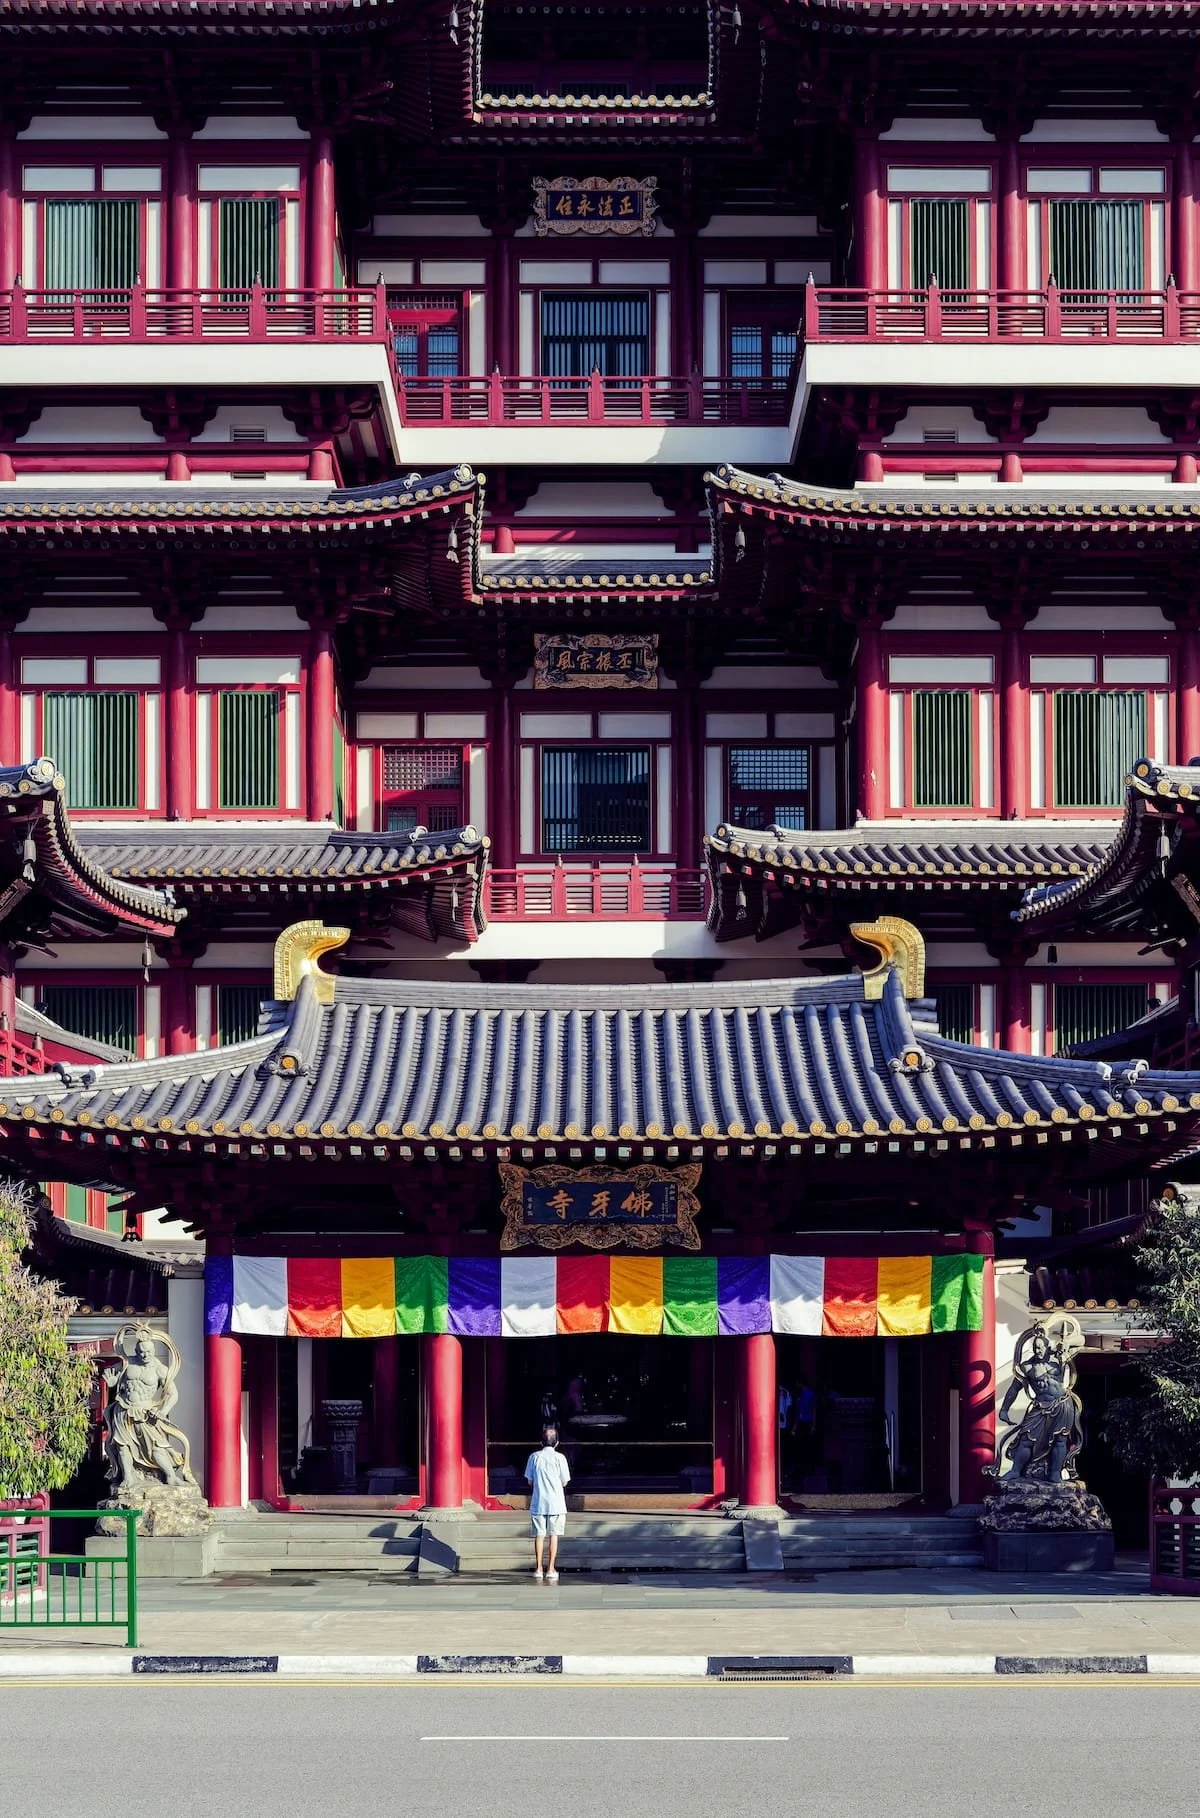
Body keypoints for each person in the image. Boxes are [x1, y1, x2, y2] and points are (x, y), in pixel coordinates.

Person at [524, 1423, 571, 1582]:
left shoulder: (534, 1457)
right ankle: (551, 1569)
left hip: (539, 1502)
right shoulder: (560, 1458)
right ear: (557, 1443)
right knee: (554, 1535)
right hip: (556, 1503)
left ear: (541, 1442)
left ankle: (538, 1568)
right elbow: (565, 1482)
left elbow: (529, 1481)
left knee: (539, 1536)